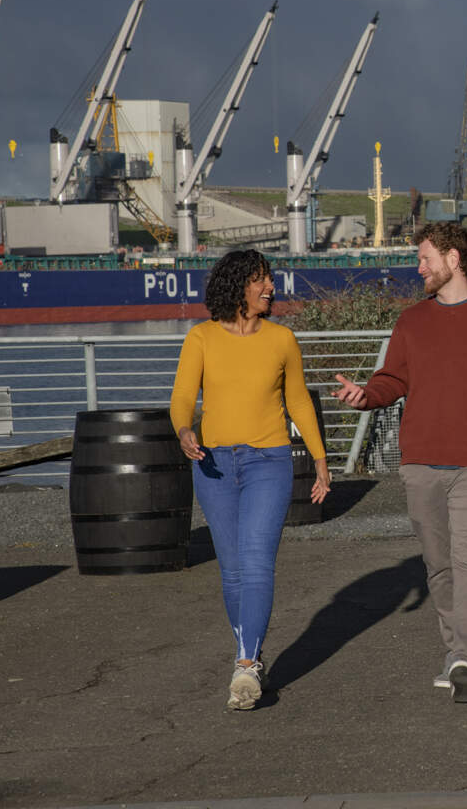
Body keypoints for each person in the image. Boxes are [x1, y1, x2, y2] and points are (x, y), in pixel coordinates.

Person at [332, 222, 467, 703]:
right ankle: (455, 652)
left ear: (454, 258)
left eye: (425, 258)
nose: (418, 267)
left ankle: (464, 655)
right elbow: (391, 381)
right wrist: (365, 396)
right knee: (438, 566)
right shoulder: (411, 322)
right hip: (420, 462)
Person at [170, 249, 331, 711]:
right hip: (214, 465)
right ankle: (251, 652)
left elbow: (299, 401)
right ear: (237, 285)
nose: (270, 288)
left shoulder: (282, 339)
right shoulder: (200, 338)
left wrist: (320, 458)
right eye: (261, 280)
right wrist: (184, 432)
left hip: (269, 462)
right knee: (233, 570)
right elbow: (182, 398)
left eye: (271, 280)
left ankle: (245, 667)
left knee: (258, 562)